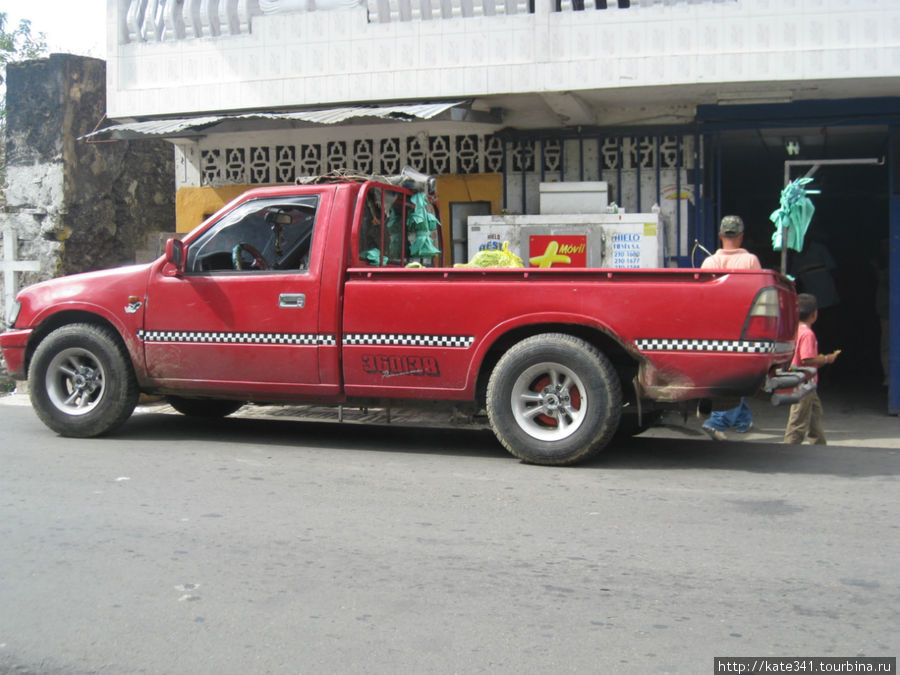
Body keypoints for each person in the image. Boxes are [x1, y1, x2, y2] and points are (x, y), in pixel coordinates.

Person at [699, 215, 762, 440]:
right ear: (741, 237)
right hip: (743, 328)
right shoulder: (751, 262)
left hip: (714, 329)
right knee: (736, 379)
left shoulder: (709, 263)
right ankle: (717, 422)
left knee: (727, 376)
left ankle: (743, 421)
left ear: (720, 236)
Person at [783, 293, 841, 445]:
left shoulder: (794, 330)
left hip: (803, 381)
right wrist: (827, 359)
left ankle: (819, 445)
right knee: (798, 420)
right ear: (814, 314)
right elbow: (807, 359)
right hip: (803, 382)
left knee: (814, 414)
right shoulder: (808, 334)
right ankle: (789, 448)